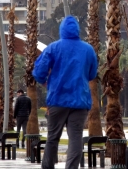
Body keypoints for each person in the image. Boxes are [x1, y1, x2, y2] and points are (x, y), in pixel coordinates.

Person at [33, 15, 98, 169]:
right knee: (75, 138)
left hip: (57, 100)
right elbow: (92, 74)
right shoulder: (88, 49)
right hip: (80, 101)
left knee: (52, 137)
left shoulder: (53, 48)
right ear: (78, 30)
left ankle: (48, 166)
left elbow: (38, 72)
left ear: (61, 30)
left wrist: (46, 83)